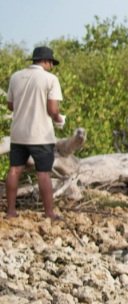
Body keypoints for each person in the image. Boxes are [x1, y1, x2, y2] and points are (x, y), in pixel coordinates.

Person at [5, 46, 65, 220]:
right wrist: (59, 119)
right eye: (51, 63)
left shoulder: (16, 77)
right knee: (43, 173)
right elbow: (53, 109)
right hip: (40, 134)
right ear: (46, 61)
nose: (52, 66)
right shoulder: (50, 79)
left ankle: (10, 211)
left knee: (14, 170)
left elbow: (11, 105)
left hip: (18, 133)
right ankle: (49, 213)